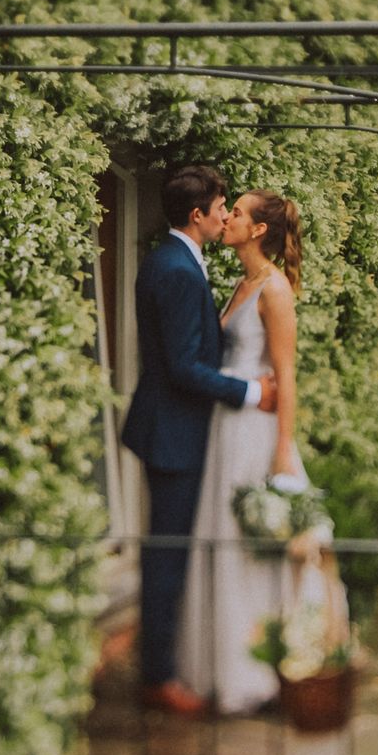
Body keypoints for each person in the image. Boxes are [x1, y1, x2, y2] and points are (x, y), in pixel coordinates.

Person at [117, 165, 263, 715]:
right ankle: (158, 679)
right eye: (222, 206)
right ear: (197, 214)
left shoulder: (176, 260)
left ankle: (167, 663)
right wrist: (249, 392)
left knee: (170, 549)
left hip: (173, 426)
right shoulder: (177, 269)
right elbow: (182, 367)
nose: (227, 215)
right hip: (173, 432)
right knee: (167, 554)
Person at [177, 188, 318, 716]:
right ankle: (226, 666)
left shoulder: (275, 291)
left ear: (258, 229)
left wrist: (283, 452)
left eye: (236, 212)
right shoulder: (241, 283)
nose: (226, 217)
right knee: (223, 542)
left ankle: (260, 674)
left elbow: (287, 378)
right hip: (225, 428)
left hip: (256, 436)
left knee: (253, 549)